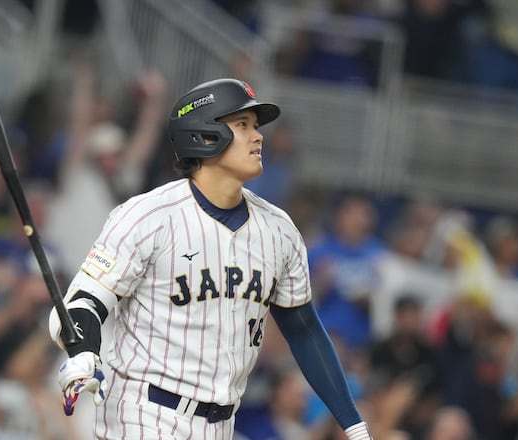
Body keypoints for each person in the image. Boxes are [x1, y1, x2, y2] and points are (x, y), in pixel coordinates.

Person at [48, 78, 372, 439]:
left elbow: (305, 331)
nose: (258, 137)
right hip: (143, 413)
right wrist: (84, 350)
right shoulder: (147, 216)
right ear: (203, 135)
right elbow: (83, 302)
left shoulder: (279, 230)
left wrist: (354, 425)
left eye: (256, 127)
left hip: (222, 423)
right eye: (243, 125)